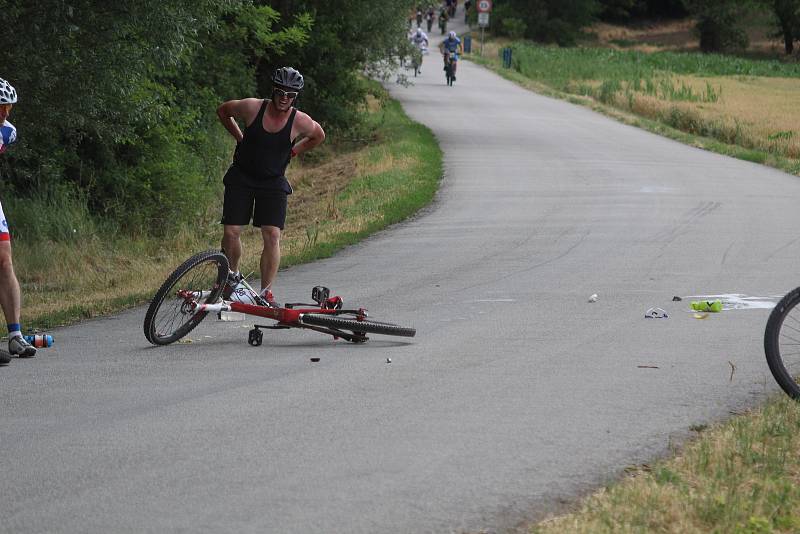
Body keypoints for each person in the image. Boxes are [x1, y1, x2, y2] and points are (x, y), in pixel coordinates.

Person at [216, 67, 325, 306]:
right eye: (280, 92)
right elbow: (224, 111)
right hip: (242, 176)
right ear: (273, 91)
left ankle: (265, 293)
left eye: (290, 94)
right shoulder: (253, 107)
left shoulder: (300, 120)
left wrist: (294, 150)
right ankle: (231, 279)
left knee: (272, 235)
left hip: (273, 181)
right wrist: (239, 137)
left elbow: (318, 136)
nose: (284, 97)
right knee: (231, 231)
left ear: (296, 96)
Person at [0, 78, 36, 363]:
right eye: (1, 107)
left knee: (4, 262)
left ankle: (15, 336)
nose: (5, 113)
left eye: (8, 107)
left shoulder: (8, 132)